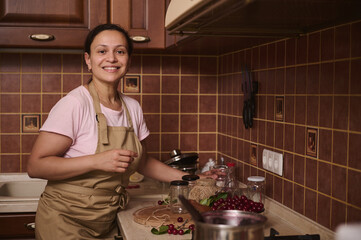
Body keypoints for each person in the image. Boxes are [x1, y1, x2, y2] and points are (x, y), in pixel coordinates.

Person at [27, 24, 216, 239]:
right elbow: (36, 165)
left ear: (128, 59)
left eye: (120, 51)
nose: (111, 58)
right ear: (88, 60)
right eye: (102, 51)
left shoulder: (132, 107)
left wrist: (191, 178)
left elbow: (143, 162)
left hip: (106, 219)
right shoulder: (74, 104)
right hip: (64, 221)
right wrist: (96, 161)